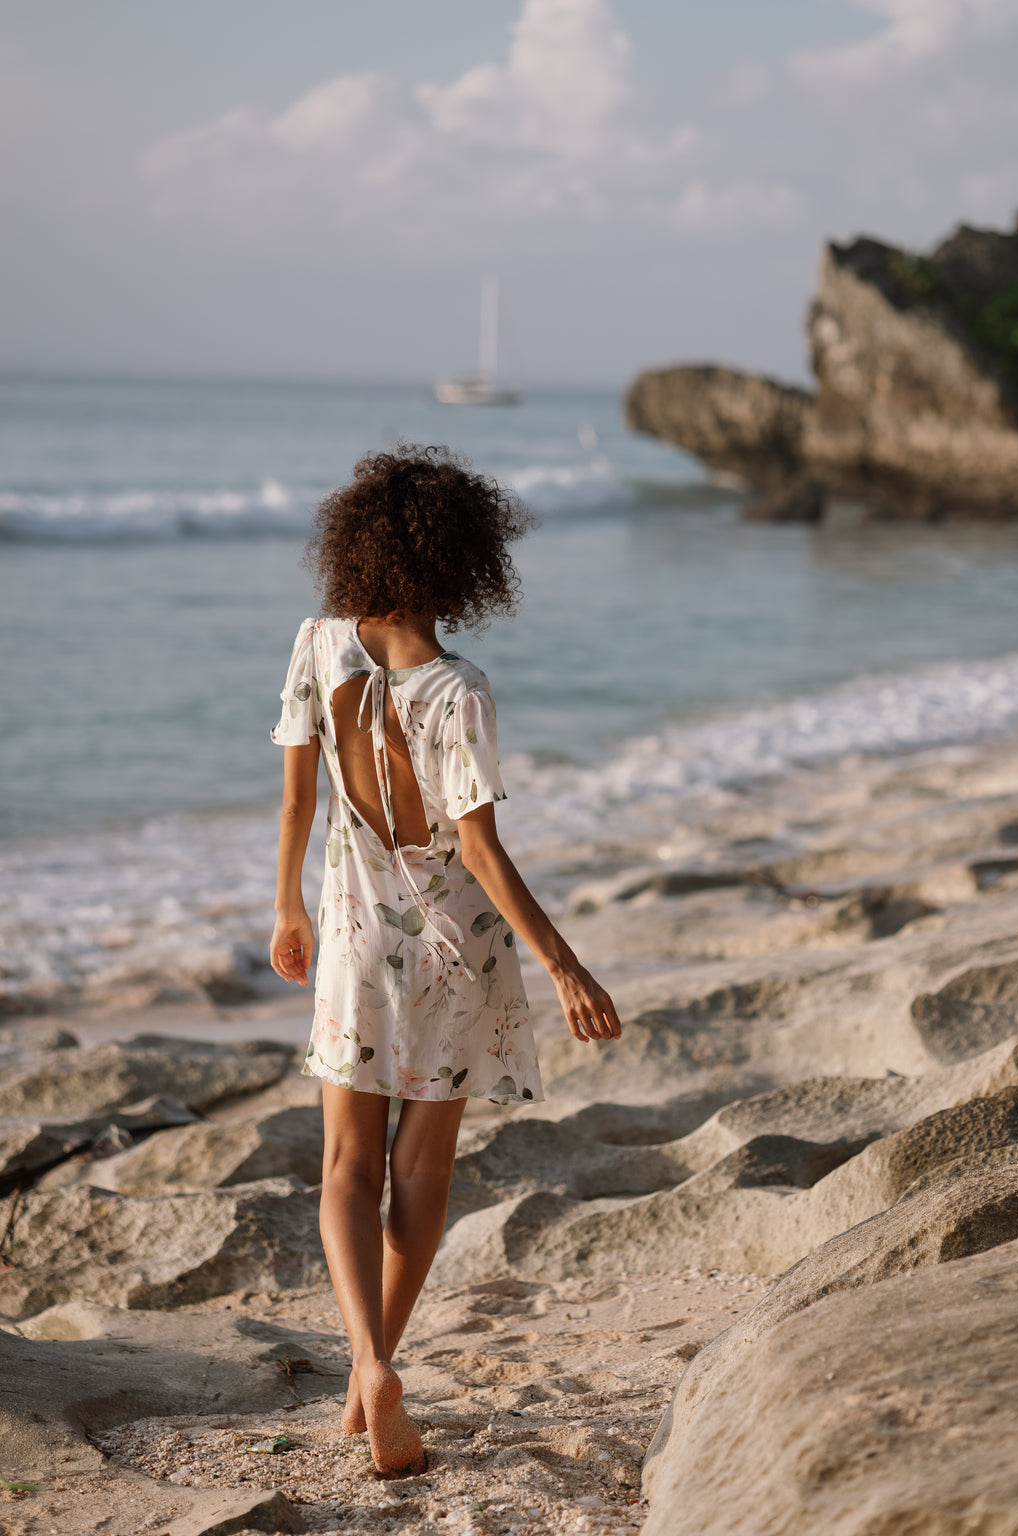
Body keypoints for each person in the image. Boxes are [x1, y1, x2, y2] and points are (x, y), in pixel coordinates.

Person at [269, 444, 621, 1477]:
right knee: (420, 1169)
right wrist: (564, 967)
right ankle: (379, 1366)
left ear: (357, 548)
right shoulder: (457, 690)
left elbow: (298, 801)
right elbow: (478, 850)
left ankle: (366, 1366)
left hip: (351, 932)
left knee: (342, 1167)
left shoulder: (317, 646)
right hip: (453, 951)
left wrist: (285, 907)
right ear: (464, 562)